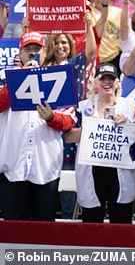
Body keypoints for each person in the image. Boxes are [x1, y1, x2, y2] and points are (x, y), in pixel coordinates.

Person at [0, 32, 76, 220]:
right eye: (28, 50)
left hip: (45, 168)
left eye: (37, 49)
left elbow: (69, 120)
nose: (32, 54)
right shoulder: (5, 77)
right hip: (13, 167)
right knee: (13, 230)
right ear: (20, 53)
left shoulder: (58, 79)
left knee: (43, 231)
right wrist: (19, 78)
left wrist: (51, 117)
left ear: (44, 52)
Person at [65, 63, 135, 223]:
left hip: (120, 172)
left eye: (111, 78)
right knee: (91, 223)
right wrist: (92, 127)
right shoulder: (83, 107)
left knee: (121, 223)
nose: (107, 82)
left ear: (118, 81)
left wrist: (127, 123)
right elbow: (68, 137)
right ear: (95, 81)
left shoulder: (130, 106)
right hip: (92, 171)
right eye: (103, 78)